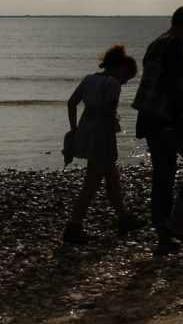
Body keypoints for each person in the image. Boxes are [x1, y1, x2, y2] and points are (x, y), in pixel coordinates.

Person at [133, 5, 183, 255]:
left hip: (149, 120)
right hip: (169, 120)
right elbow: (175, 86)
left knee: (163, 177)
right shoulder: (173, 46)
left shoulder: (154, 44)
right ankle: (177, 220)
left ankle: (163, 239)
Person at [62, 44, 147, 244]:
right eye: (127, 77)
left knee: (112, 177)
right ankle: (73, 227)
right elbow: (108, 116)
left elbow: (71, 103)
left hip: (86, 130)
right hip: (100, 135)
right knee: (91, 184)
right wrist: (113, 146)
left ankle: (124, 218)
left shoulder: (90, 79)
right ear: (120, 69)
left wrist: (74, 129)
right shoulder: (112, 84)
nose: (125, 82)